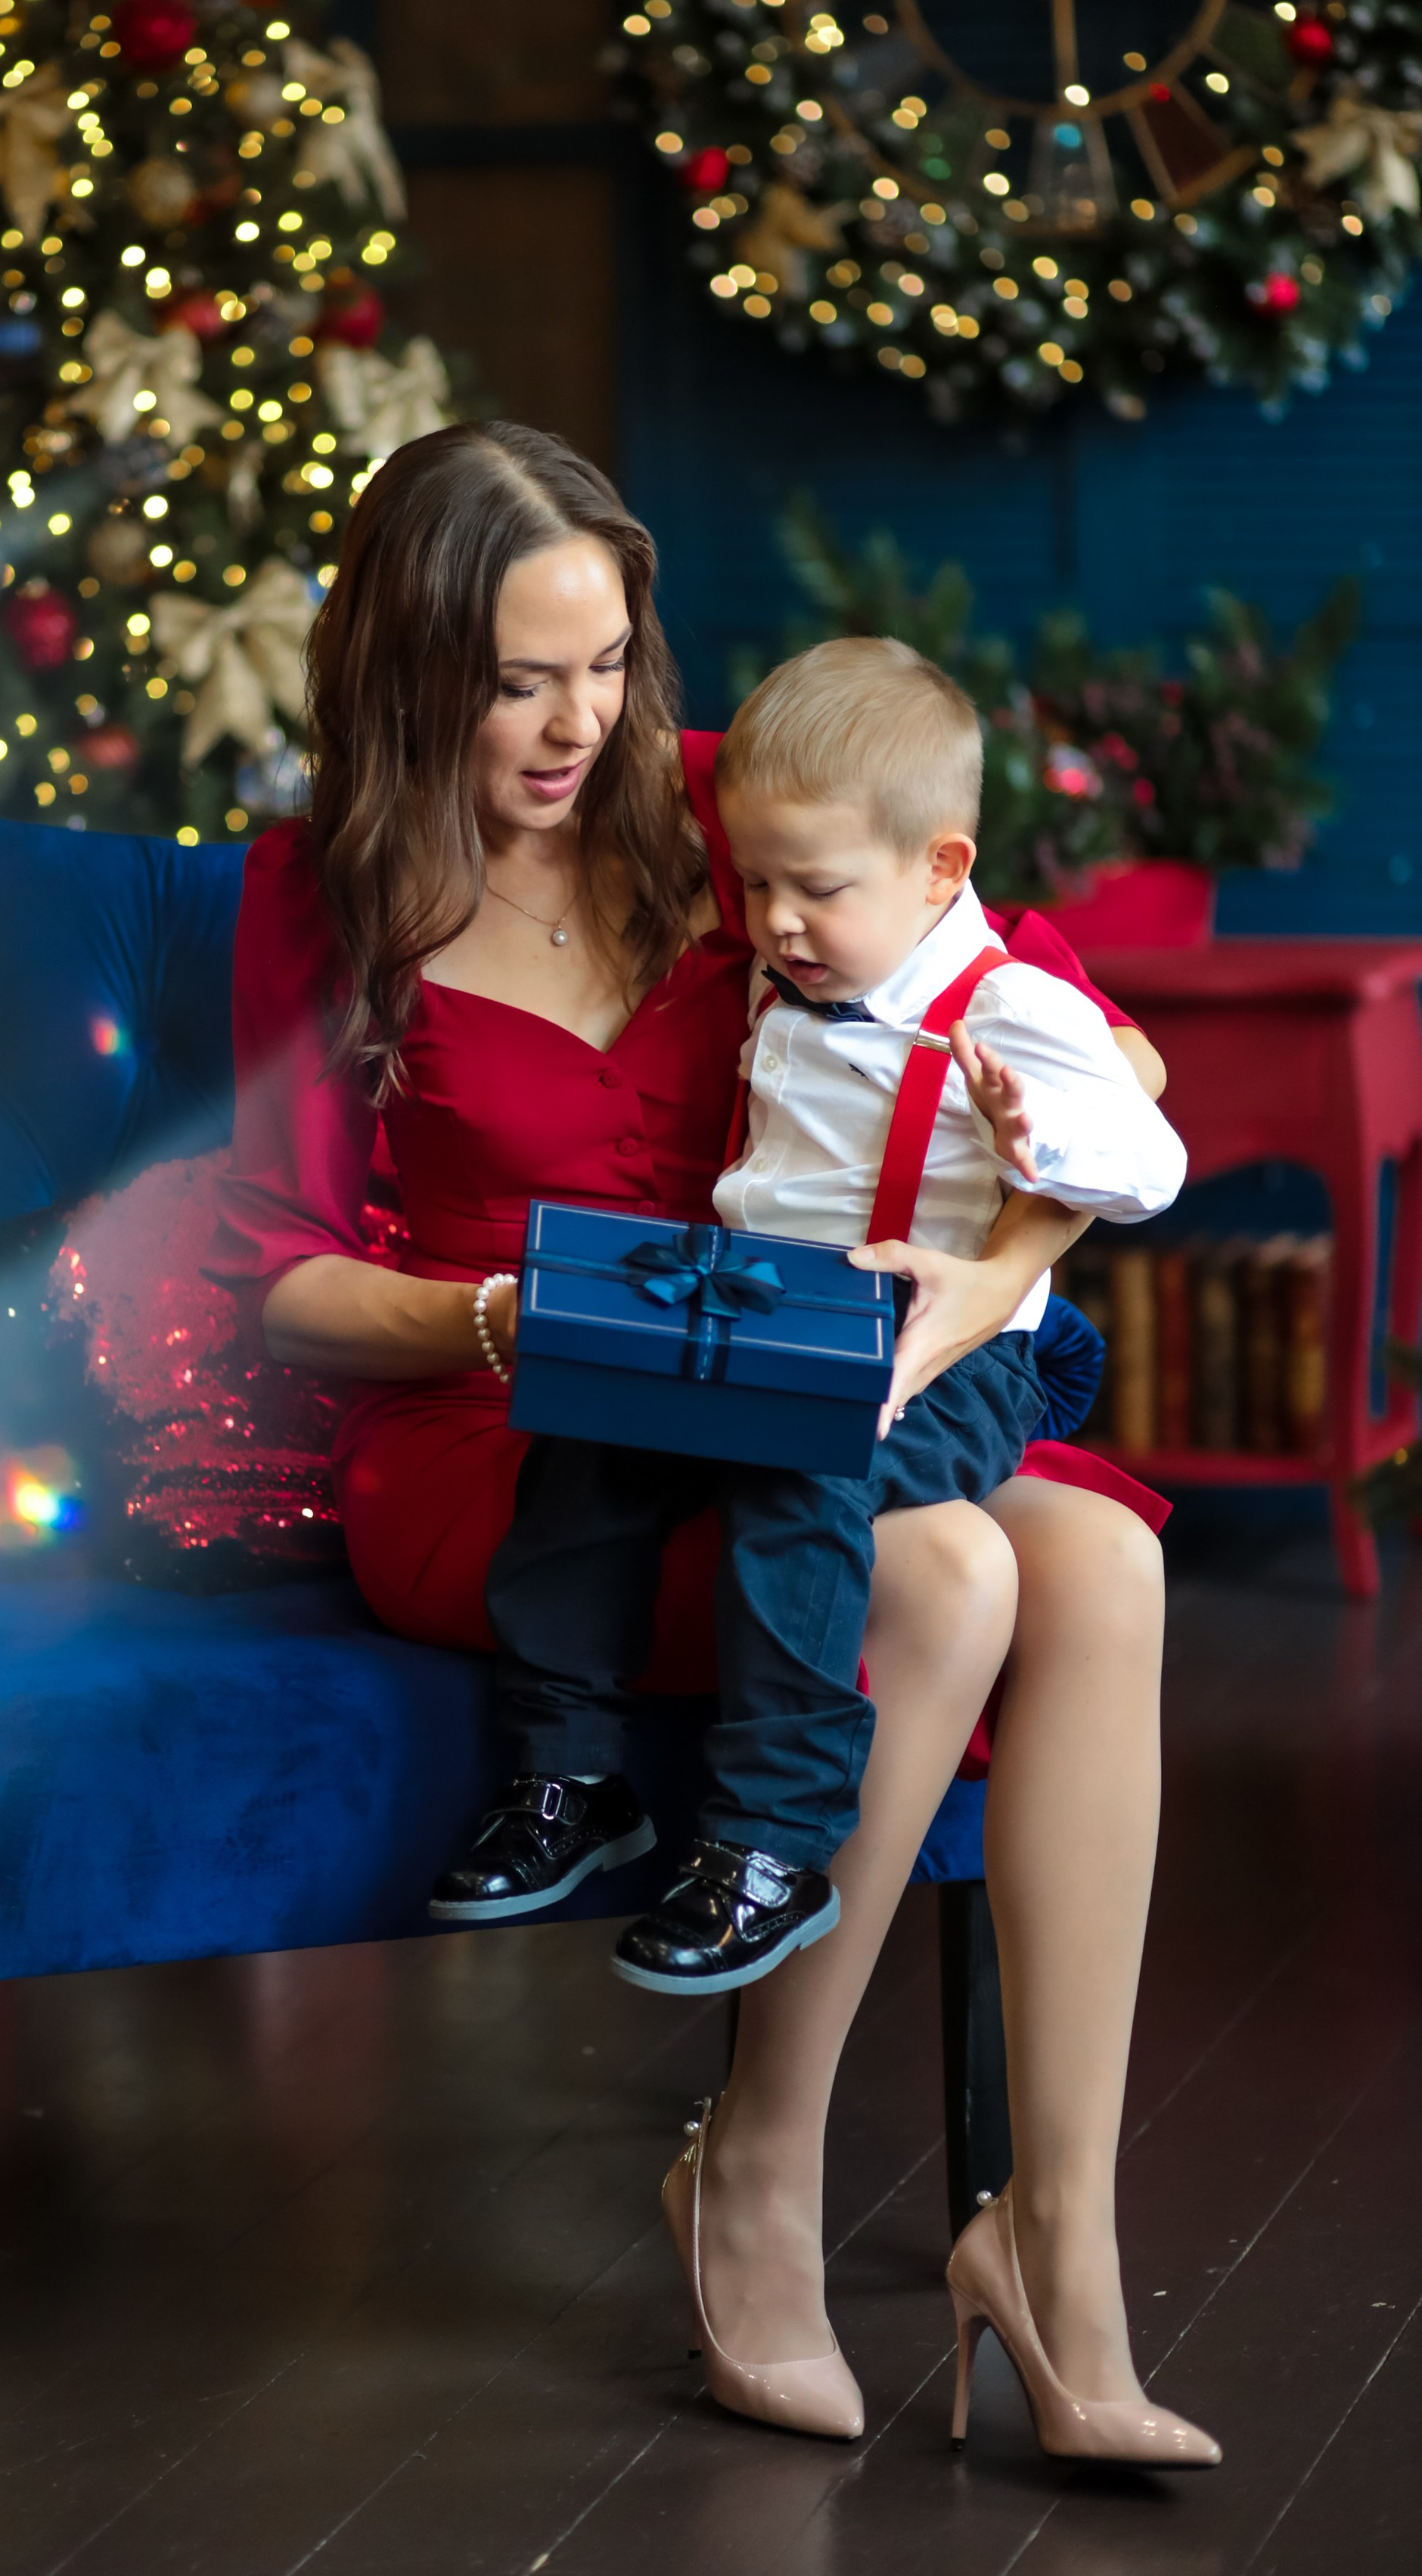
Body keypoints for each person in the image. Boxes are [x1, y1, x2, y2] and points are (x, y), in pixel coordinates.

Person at [209, 421, 1216, 2466]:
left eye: (605, 663)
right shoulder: (318, 897)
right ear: (414, 673)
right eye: (515, 682)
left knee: (1105, 1563)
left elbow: (1074, 1032)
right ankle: (756, 2169)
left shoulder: (720, 813)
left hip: (809, 1365)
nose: (579, 723)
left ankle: (1060, 2248)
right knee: (945, 1567)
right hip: (513, 1410)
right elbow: (274, 1277)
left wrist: (990, 1269)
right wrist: (519, 1315)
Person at [437, 636, 1188, 2009]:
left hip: (943, 1362)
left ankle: (771, 1846)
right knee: (588, 1441)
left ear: (942, 872)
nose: (775, 920)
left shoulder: (1009, 1003)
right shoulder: (811, 964)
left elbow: (1153, 1165)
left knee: (797, 1479)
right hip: (773, 1323)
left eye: (815, 891)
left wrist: (1047, 1136)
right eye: (761, 883)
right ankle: (569, 1771)